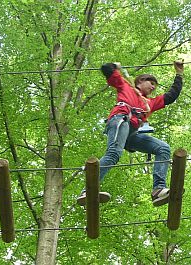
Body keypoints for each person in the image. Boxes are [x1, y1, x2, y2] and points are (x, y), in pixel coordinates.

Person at [78, 60, 184, 207]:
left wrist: (179, 74)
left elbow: (171, 96)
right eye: (151, 83)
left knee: (163, 148)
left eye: (155, 85)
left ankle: (158, 189)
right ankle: (87, 191)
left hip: (132, 134)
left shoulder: (150, 103)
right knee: (113, 154)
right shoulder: (125, 86)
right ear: (141, 81)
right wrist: (114, 66)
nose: (153, 87)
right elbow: (106, 69)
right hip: (120, 120)